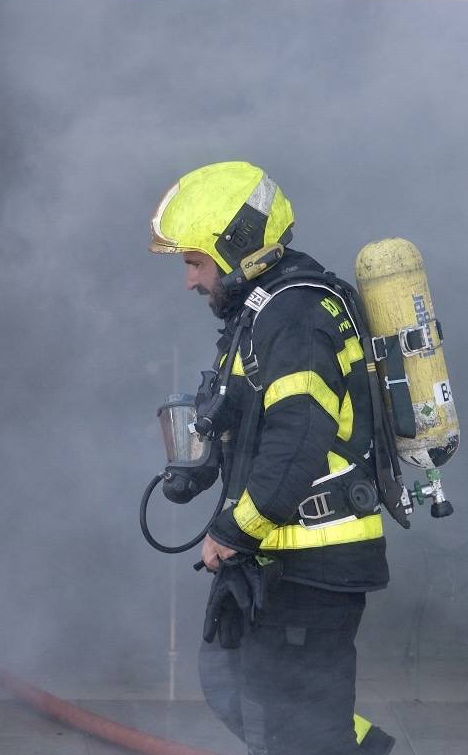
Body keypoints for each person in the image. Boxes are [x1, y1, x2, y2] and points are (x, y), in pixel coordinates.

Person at [149, 161, 396, 755]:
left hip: (312, 564)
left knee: (297, 729)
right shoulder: (262, 311)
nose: (189, 281)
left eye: (193, 262)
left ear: (233, 248)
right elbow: (243, 412)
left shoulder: (294, 314)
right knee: (233, 682)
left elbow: (297, 436)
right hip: (275, 557)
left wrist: (232, 530)